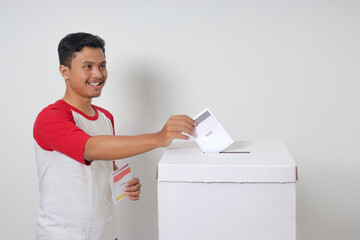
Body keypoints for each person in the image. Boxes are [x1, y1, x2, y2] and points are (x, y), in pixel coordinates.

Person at [33, 32, 197, 240]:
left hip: (107, 233)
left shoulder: (105, 117)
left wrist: (125, 182)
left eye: (102, 65)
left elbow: (104, 165)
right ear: (65, 71)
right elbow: (89, 148)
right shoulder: (50, 117)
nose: (98, 74)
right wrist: (159, 137)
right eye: (88, 66)